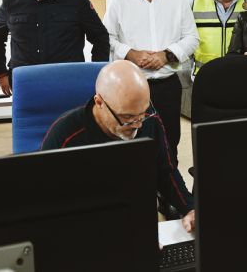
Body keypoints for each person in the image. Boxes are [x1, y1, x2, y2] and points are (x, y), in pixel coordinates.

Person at [40, 60, 195, 231]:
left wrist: (189, 208)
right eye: (127, 117)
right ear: (99, 102)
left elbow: (166, 171)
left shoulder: (149, 120)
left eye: (142, 113)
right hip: (84, 223)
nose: (138, 124)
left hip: (135, 215)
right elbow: (47, 199)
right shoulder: (65, 135)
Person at [103, 0, 199, 161]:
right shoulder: (119, 2)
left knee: (169, 143)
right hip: (131, 88)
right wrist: (131, 54)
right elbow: (107, 38)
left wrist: (166, 54)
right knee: (132, 144)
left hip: (168, 86)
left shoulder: (178, 1)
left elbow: (192, 38)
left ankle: (168, 191)